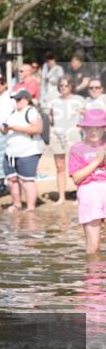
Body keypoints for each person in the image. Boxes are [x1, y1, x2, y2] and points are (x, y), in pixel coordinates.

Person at [69, 109, 106, 255]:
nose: (93, 131)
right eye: (89, 127)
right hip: (89, 192)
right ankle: (94, 276)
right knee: (93, 246)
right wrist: (97, 161)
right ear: (83, 128)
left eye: (97, 127)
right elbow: (77, 178)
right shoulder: (77, 148)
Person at [3, 89, 44, 212]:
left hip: (28, 151)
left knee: (27, 180)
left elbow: (37, 129)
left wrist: (14, 128)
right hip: (10, 152)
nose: (16, 101)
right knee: (12, 179)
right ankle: (17, 204)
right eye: (15, 99)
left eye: (19, 99)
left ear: (27, 99)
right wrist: (4, 129)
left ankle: (31, 207)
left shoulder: (31, 111)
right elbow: (5, 130)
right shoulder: (12, 113)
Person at [49, 78, 85, 204]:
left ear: (71, 86)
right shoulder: (53, 101)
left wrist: (81, 126)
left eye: (66, 85)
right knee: (60, 167)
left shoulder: (79, 100)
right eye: (61, 85)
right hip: (57, 136)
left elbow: (87, 115)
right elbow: (51, 118)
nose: (63, 87)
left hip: (74, 136)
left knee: (77, 167)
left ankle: (79, 196)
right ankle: (61, 197)